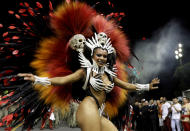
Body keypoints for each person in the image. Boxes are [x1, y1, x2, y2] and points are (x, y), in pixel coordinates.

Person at [18, 33, 160, 131]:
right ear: (92, 55)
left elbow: (127, 85)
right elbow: (63, 80)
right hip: (87, 108)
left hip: (98, 111)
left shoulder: (109, 75)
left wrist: (147, 86)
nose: (102, 58)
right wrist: (37, 79)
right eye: (99, 55)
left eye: (104, 56)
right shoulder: (84, 72)